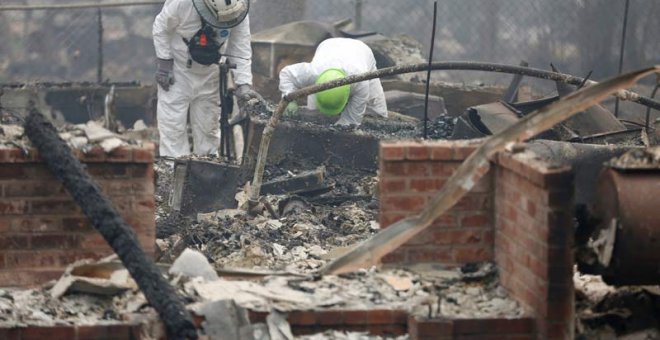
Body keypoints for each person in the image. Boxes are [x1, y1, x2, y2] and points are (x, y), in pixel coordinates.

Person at [152, 0, 261, 158]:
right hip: (178, 69)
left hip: (211, 71)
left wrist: (243, 84)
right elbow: (161, 27)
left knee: (208, 127)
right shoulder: (182, 4)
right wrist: (164, 63)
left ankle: (206, 170)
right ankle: (173, 169)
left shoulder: (239, 10)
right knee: (172, 125)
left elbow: (240, 46)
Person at [279, 38, 388, 126]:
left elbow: (352, 121)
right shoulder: (313, 72)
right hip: (328, 46)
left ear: (348, 94)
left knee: (378, 114)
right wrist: (289, 99)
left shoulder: (361, 81)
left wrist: (341, 129)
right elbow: (286, 74)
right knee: (313, 119)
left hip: (361, 51)